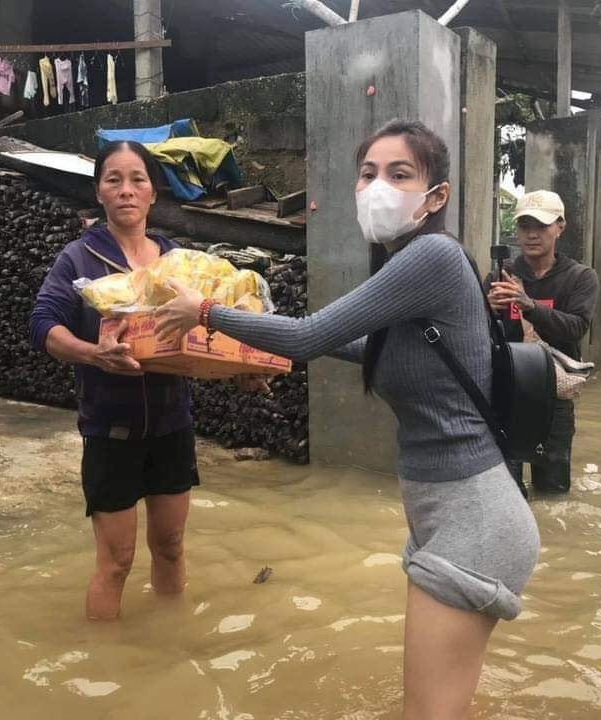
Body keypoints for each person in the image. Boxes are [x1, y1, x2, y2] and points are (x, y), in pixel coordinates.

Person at [155, 120, 540, 720]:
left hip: (475, 519)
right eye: (368, 174)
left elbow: (310, 335)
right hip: (452, 515)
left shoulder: (432, 255)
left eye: (399, 173)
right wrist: (261, 353)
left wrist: (206, 310)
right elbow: (364, 350)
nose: (377, 186)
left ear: (435, 197)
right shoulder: (410, 266)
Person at [29, 141, 264, 620]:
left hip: (171, 425)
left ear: (154, 192)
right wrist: (94, 355)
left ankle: (169, 643)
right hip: (110, 429)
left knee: (173, 547)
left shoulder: (178, 262)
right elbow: (43, 326)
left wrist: (244, 369)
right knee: (116, 562)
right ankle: (107, 674)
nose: (126, 190)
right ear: (99, 192)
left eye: (137, 179)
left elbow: (208, 329)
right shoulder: (79, 259)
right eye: (113, 180)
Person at [486, 190, 599, 494]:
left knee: (553, 493)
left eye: (541, 226)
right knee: (505, 493)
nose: (532, 235)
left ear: (560, 226)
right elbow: (478, 336)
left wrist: (529, 306)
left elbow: (576, 327)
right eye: (525, 227)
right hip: (505, 394)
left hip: (553, 396)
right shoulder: (501, 275)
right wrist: (485, 309)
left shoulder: (580, 277)